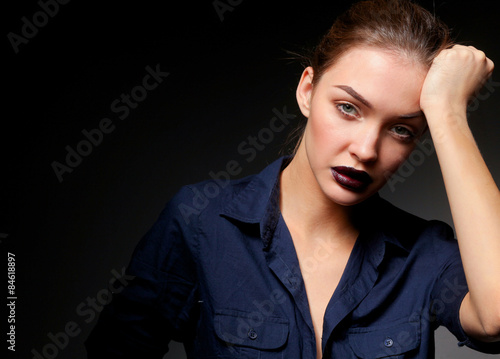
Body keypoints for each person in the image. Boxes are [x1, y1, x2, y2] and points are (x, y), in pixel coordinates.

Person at [85, 0, 500, 357]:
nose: (366, 149)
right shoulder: (201, 223)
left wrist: (448, 113)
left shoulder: (422, 253)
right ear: (307, 91)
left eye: (401, 130)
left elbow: (496, 318)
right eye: (348, 108)